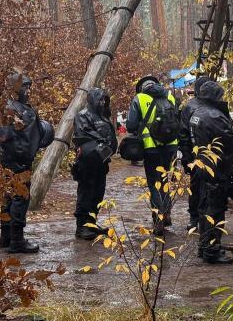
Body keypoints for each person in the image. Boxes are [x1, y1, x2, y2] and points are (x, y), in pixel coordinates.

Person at [0, 72, 54, 254]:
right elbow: (14, 137)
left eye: (29, 87)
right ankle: (16, 240)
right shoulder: (16, 109)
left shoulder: (11, 107)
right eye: (24, 87)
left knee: (9, 196)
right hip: (17, 161)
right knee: (19, 198)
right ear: (16, 88)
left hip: (11, 159)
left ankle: (6, 237)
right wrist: (24, 156)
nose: (28, 91)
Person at [189, 80, 233, 265]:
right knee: (215, 210)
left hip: (203, 166)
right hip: (217, 169)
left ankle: (205, 247)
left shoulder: (197, 113)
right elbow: (229, 141)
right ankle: (212, 249)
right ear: (215, 97)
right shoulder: (214, 116)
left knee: (204, 208)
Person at [126, 74, 179, 236]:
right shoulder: (170, 95)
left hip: (151, 148)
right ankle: (167, 213)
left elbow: (130, 125)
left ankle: (159, 219)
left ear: (142, 87)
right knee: (164, 180)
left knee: (154, 182)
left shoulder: (139, 98)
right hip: (170, 146)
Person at [72, 88, 117, 240]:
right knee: (86, 192)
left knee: (98, 193)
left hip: (102, 162)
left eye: (105, 100)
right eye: (100, 99)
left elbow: (110, 135)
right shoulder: (83, 115)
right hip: (88, 162)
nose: (103, 102)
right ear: (92, 99)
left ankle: (92, 223)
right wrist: (103, 143)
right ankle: (82, 226)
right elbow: (84, 134)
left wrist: (109, 147)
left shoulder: (103, 116)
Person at [177, 75, 211, 230]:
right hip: (197, 155)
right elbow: (183, 133)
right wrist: (187, 156)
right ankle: (195, 217)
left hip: (207, 155)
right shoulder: (191, 107)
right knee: (196, 186)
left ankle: (201, 217)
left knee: (203, 187)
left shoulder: (210, 105)